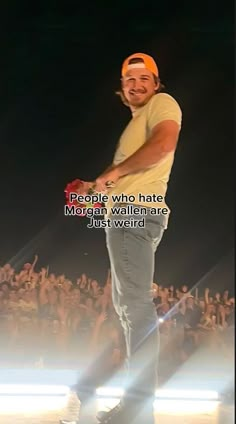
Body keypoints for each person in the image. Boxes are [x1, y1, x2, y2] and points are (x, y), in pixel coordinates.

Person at [61, 52, 182, 424]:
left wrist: (113, 174)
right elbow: (121, 177)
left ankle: (139, 407)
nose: (137, 84)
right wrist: (92, 190)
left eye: (145, 78)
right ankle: (137, 406)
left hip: (137, 215)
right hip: (126, 214)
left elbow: (163, 146)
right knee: (128, 312)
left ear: (156, 84)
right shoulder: (133, 128)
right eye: (130, 80)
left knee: (135, 308)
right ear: (122, 88)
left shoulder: (163, 105)